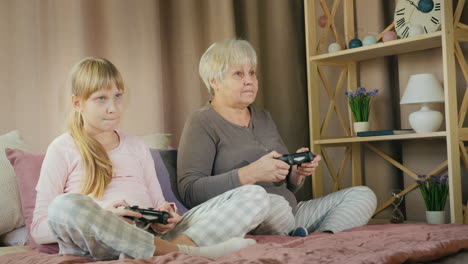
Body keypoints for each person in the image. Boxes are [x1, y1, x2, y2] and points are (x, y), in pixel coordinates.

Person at [31, 57, 270, 261]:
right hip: (97, 242)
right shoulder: (62, 148)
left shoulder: (136, 146)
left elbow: (157, 203)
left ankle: (169, 249)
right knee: (64, 206)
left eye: (117, 96)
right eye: (101, 99)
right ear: (77, 103)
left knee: (255, 195)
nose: (113, 107)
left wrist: (164, 216)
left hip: (150, 235)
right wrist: (104, 217)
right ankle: (186, 252)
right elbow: (39, 230)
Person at [177, 39, 377, 237]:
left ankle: (319, 239)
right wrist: (250, 173)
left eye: (252, 73)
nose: (249, 80)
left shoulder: (264, 117)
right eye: (238, 74)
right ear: (214, 81)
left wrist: (296, 173)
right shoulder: (202, 121)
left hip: (290, 212)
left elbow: (287, 186)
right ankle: (299, 235)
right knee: (270, 203)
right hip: (252, 213)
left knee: (362, 195)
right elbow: (189, 190)